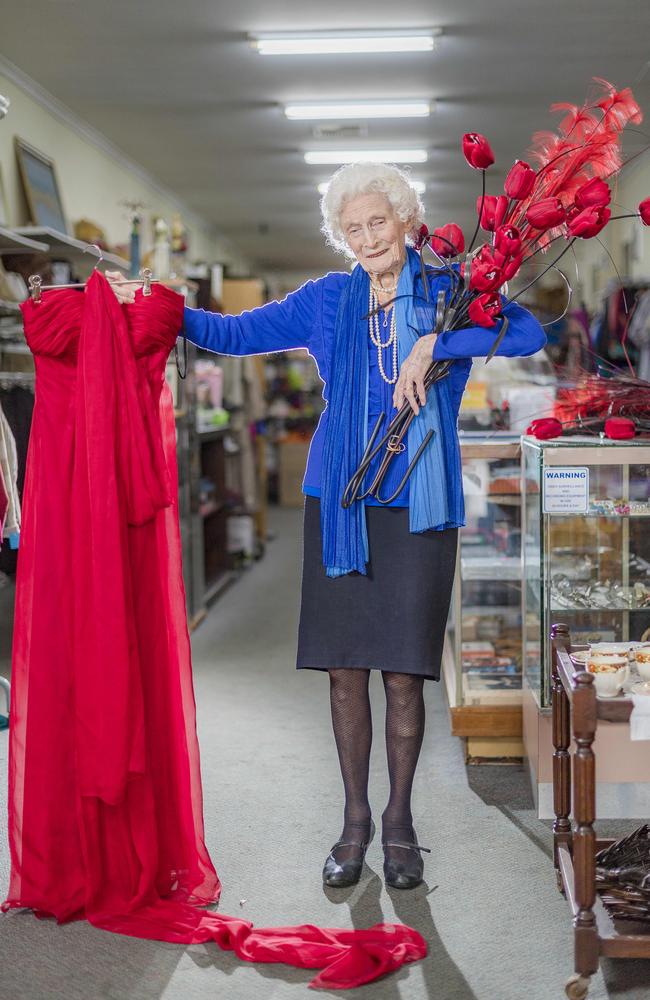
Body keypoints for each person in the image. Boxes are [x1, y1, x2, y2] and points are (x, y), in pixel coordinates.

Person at [108, 162, 545, 892]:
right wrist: (152, 301)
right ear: (341, 236)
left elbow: (526, 330)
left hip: (418, 499)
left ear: (406, 220)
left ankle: (401, 823)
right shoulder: (325, 300)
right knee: (345, 670)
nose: (369, 236)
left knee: (405, 674)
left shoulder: (449, 291)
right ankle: (355, 821)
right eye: (354, 227)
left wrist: (437, 344)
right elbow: (231, 331)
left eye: (380, 220)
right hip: (339, 496)